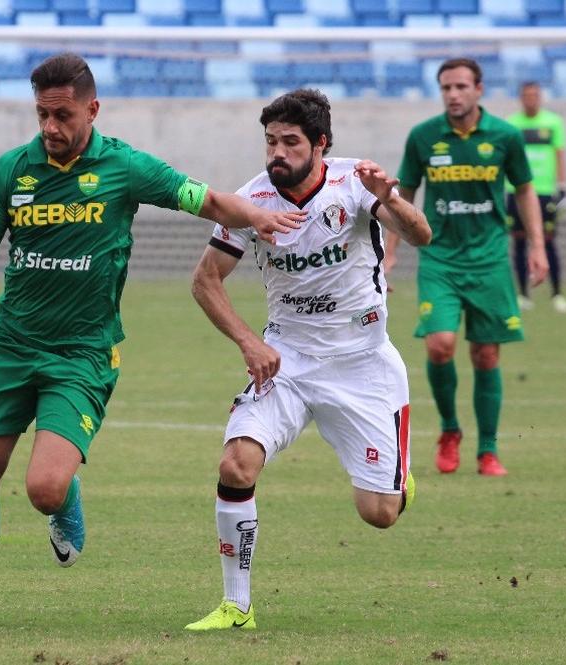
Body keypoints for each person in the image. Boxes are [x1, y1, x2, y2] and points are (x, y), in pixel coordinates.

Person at [0, 52, 304, 630]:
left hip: (82, 352)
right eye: (42, 115)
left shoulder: (124, 167)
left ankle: (65, 497)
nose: (51, 128)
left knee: (44, 490)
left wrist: (256, 216)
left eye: (63, 115)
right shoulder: (13, 169)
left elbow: (202, 198)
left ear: (92, 109)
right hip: (10, 344)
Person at [184, 89, 431, 631]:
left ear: (320, 144)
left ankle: (397, 480)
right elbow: (204, 281)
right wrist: (250, 342)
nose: (277, 152)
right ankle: (237, 607)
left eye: (290, 142)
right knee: (236, 464)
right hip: (286, 360)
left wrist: (390, 199)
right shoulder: (251, 200)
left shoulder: (353, 184)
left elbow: (421, 235)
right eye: (270, 141)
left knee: (379, 514)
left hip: (362, 363)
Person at [384, 58, 548, 477]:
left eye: (460, 86)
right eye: (445, 87)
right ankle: (450, 430)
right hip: (439, 257)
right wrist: (391, 251)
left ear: (479, 89)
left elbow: (526, 190)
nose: (453, 94)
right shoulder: (423, 137)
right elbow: (403, 194)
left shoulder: (505, 136)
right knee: (440, 344)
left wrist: (537, 246)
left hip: (491, 259)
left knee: (486, 353)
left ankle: (488, 450)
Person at [506, 81, 566, 313]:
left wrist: (563, 187)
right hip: (516, 191)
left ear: (540, 97)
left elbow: (560, 155)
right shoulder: (512, 125)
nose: (531, 99)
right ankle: (523, 294)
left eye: (535, 95)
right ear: (521, 98)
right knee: (520, 242)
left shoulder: (553, 122)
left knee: (549, 242)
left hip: (544, 192)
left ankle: (557, 293)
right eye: (526, 95)